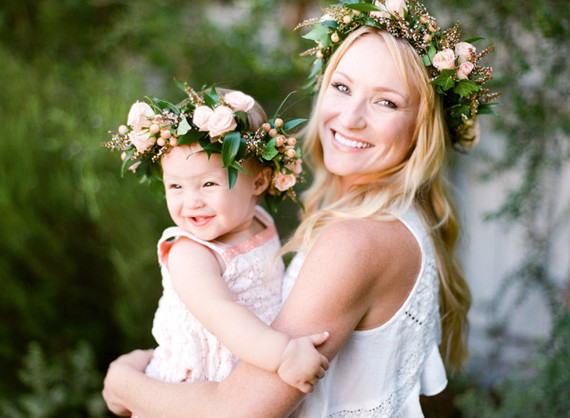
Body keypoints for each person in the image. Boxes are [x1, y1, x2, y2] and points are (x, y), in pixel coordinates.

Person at [103, 1, 499, 416]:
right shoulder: (390, 221)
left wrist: (124, 384)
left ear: (423, 126)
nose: (351, 118)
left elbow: (237, 412)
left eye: (386, 102)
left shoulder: (356, 241)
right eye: (342, 87)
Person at [102, 84, 330, 395]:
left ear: (259, 182)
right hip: (192, 388)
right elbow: (221, 313)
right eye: (176, 187)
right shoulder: (190, 253)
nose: (192, 201)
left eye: (209, 183)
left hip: (248, 368)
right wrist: (284, 355)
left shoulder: (260, 222)